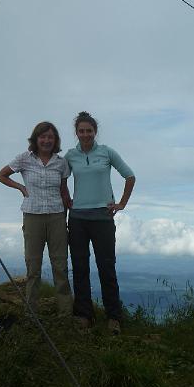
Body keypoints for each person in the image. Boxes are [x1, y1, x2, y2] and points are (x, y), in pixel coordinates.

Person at [65, 111, 135, 334]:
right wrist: (67, 200)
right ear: (76, 133)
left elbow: (129, 176)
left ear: (95, 132)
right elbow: (60, 178)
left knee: (106, 267)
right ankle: (84, 316)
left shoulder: (106, 152)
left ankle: (113, 317)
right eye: (81, 131)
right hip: (77, 219)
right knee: (80, 268)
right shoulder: (70, 155)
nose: (85, 134)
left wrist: (121, 203)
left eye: (89, 130)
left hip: (103, 218)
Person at [0, 122, 73, 316]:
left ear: (55, 140)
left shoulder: (61, 162)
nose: (46, 140)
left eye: (50, 137)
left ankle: (65, 312)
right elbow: (1, 175)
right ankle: (31, 312)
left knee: (60, 265)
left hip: (57, 216)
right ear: (36, 139)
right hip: (32, 216)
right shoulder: (24, 159)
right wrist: (20, 187)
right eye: (43, 137)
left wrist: (72, 209)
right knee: (33, 267)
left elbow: (63, 190)